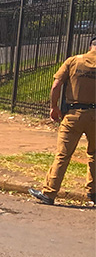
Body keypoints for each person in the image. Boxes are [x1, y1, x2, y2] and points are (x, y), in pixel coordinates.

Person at [28, 36, 96, 206]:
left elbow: (56, 86)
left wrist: (54, 107)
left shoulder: (74, 61)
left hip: (74, 114)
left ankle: (49, 193)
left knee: (63, 155)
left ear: (90, 46)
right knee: (95, 154)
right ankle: (93, 192)